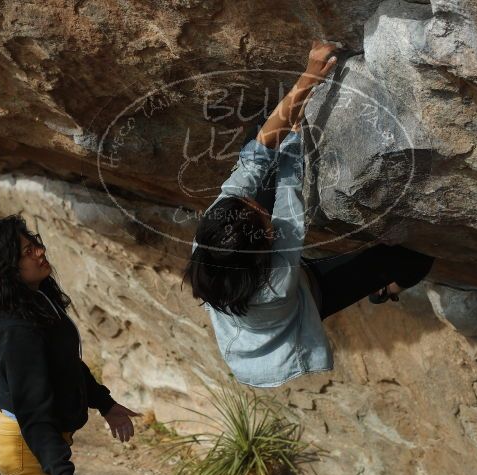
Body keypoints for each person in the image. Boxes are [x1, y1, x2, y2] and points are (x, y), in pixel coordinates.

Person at [185, 40, 434, 388]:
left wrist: (309, 76)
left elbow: (255, 156)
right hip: (301, 302)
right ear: (266, 244)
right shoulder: (278, 283)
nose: (258, 205)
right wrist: (294, 142)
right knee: (414, 259)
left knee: (266, 139)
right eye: (261, 216)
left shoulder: (211, 238)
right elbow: (290, 195)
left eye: (250, 204)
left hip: (249, 292)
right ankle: (387, 288)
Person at [0, 215, 141, 475]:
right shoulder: (16, 329)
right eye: (27, 251)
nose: (40, 251)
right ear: (7, 268)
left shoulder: (35, 299)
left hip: (35, 439)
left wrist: (105, 403)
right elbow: (33, 411)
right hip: (26, 443)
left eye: (35, 244)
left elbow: (64, 365)